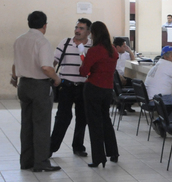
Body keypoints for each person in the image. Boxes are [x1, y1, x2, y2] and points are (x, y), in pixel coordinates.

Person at [11, 11, 62, 172]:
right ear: (45, 25)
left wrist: (14, 78)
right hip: (39, 86)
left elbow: (15, 64)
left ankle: (26, 161)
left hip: (24, 85)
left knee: (27, 124)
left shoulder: (19, 40)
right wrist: (56, 78)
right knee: (41, 125)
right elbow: (46, 67)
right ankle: (41, 162)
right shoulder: (42, 42)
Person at [50, 18, 92, 157]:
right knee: (62, 117)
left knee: (82, 118)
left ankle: (78, 146)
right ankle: (51, 147)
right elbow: (54, 61)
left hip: (83, 87)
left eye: (81, 28)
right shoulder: (65, 42)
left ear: (88, 32)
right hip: (66, 86)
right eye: (76, 27)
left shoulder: (92, 46)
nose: (77, 30)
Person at [79, 21, 119, 168]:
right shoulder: (113, 50)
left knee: (94, 123)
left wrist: (82, 60)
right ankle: (113, 152)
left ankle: (98, 157)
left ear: (94, 34)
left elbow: (84, 71)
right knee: (106, 120)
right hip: (108, 89)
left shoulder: (94, 50)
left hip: (93, 88)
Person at [145, 46, 172, 123]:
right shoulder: (167, 65)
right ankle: (164, 125)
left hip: (151, 98)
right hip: (158, 98)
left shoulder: (160, 63)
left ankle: (159, 122)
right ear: (165, 57)